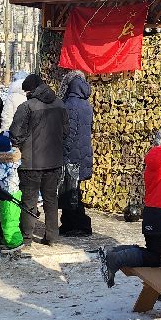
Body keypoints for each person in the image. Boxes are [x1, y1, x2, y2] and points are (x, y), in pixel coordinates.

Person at [98, 126, 161, 285]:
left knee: (153, 253)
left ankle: (115, 252)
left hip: (151, 213)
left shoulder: (151, 162)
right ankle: (116, 257)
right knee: (158, 259)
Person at [10, 78, 68, 244]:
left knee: (29, 200)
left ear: (30, 90)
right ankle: (52, 236)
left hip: (30, 162)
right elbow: (66, 131)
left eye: (26, 91)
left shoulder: (27, 107)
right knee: (51, 200)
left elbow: (16, 134)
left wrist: (18, 145)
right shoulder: (60, 104)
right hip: (55, 161)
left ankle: (27, 236)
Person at [59, 70, 95, 237]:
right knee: (73, 190)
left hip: (72, 156)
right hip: (82, 154)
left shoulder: (70, 105)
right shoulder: (85, 104)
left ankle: (79, 225)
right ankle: (69, 224)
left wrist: (63, 154)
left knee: (70, 192)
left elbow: (68, 134)